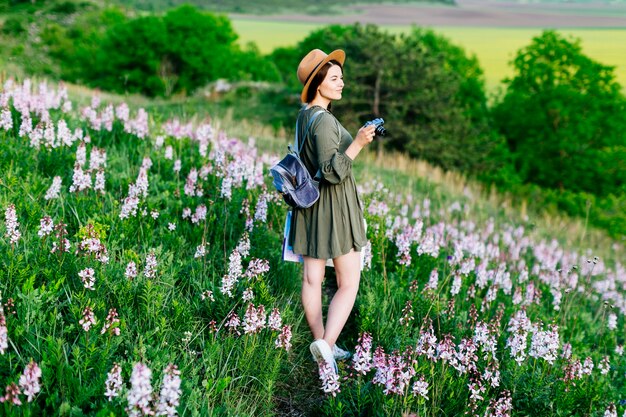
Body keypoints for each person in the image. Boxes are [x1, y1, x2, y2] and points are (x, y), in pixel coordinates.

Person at [289, 48, 376, 373]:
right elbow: (331, 171)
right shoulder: (323, 120)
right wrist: (358, 143)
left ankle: (323, 343)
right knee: (348, 282)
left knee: (312, 279)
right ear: (318, 83)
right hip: (333, 207)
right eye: (335, 78)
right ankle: (326, 348)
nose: (342, 83)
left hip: (308, 206)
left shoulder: (304, 115)